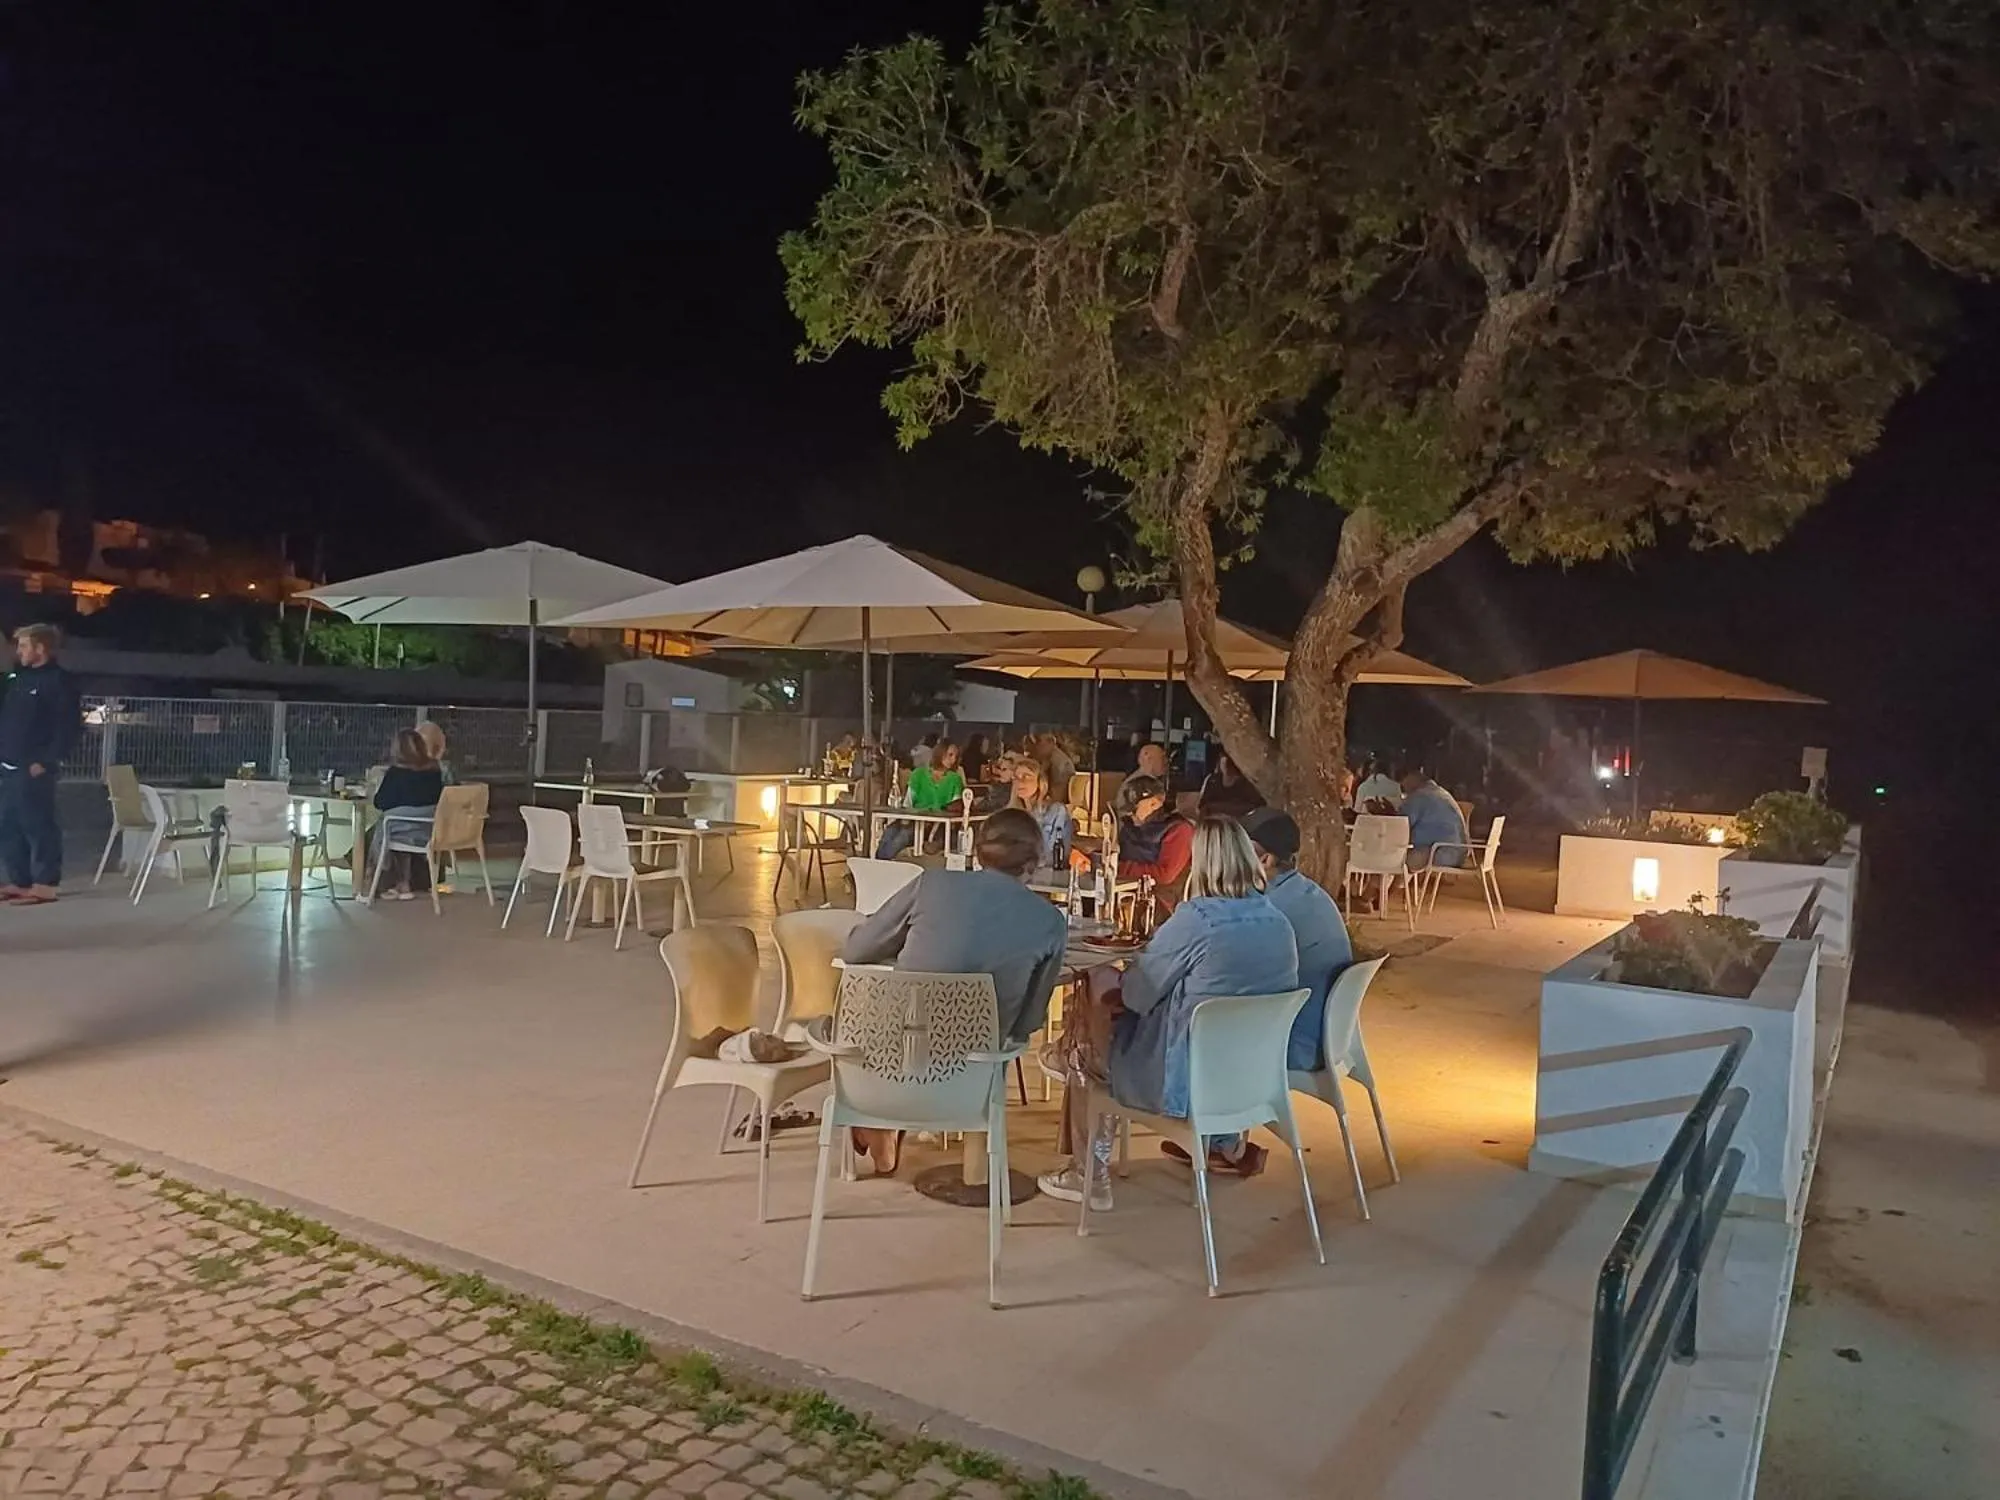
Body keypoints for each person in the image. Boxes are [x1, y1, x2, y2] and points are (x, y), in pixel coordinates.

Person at [1039, 817, 1300, 1206]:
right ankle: (1072, 1063)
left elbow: (1138, 997)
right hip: (1250, 1083)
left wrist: (1113, 975)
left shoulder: (1199, 918)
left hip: (1183, 1083)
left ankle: (1087, 1175)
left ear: (1202, 863)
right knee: (1094, 1036)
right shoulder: (1279, 923)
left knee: (1087, 1039)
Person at [841, 808, 1070, 1175]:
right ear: (1036, 861)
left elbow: (855, 952)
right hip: (973, 1078)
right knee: (994, 1035)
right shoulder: (1050, 922)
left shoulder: (932, 885)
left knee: (906, 1015)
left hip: (889, 1059)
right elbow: (1026, 1023)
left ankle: (886, 1117)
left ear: (978, 850)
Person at [1241, 808, 1354, 1072]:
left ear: (1265, 860)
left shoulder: (1271, 912)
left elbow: (1238, 977)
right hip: (1328, 1037)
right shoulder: (1307, 892)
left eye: (1239, 850)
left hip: (1296, 1044)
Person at [0, 624, 81, 905]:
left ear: (40, 648)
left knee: (39, 824)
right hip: (8, 764)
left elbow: (68, 727)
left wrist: (46, 761)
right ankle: (20, 880)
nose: (19, 651)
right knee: (8, 825)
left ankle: (45, 883)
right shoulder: (19, 679)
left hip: (33, 767)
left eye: (23, 645)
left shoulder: (59, 681)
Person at [371, 728, 445, 901]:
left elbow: (380, 803)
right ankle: (403, 884)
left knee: (384, 827)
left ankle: (380, 882)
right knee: (393, 826)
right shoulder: (435, 771)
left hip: (401, 829)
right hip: (429, 830)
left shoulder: (396, 774)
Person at [1110, 772, 1194, 914]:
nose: (1130, 815)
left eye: (1134, 809)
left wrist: (1117, 869)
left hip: (1160, 903)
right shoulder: (1131, 827)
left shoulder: (1178, 830)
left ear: (1154, 803)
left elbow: (1165, 875)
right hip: (1124, 895)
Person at [874, 739, 964, 859]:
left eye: (955, 756)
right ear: (940, 753)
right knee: (890, 831)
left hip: (935, 825)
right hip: (913, 817)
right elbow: (909, 800)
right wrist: (906, 818)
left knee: (904, 835)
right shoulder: (919, 774)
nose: (952, 760)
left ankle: (882, 862)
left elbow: (954, 805)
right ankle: (876, 862)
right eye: (950, 755)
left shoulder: (955, 779)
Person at [1006, 758, 1075, 877]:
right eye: (1016, 778)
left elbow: (1050, 855)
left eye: (1027, 776)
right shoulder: (1011, 813)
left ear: (1040, 782)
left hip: (1047, 877)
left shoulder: (1056, 811)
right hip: (1016, 876)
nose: (1020, 782)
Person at [1399, 764, 1470, 871]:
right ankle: (1399, 885)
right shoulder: (1439, 792)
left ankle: (1389, 886)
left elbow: (1401, 824)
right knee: (1405, 855)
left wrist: (1385, 813)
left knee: (1396, 859)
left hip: (1442, 853)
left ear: (1411, 781)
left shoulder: (1420, 796)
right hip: (1458, 852)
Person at [1197, 751, 1265, 820]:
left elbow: (1257, 808)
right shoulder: (1212, 780)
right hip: (1214, 826)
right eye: (1224, 758)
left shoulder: (1250, 783)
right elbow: (1202, 807)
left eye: (1229, 760)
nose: (1225, 763)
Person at [1036, 732, 1078, 810]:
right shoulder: (1048, 760)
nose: (1037, 747)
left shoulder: (1059, 761)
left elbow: (1059, 791)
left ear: (1051, 743)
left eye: (1039, 742)